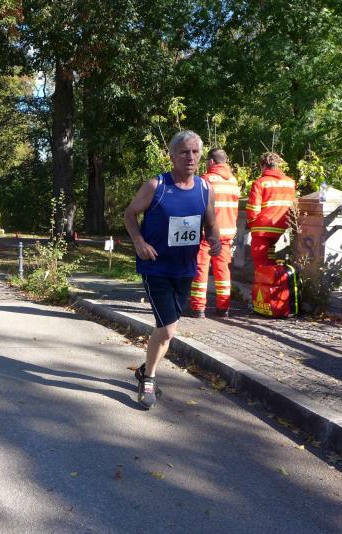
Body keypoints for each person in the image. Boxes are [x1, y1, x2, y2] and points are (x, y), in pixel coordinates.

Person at [123, 130, 221, 409]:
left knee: (168, 328)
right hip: (155, 267)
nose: (190, 157)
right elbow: (129, 214)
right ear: (172, 156)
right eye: (184, 152)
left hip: (185, 269)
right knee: (166, 330)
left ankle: (145, 368)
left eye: (195, 152)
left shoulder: (205, 189)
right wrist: (139, 241)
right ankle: (149, 379)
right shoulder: (157, 185)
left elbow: (210, 223)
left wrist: (214, 239)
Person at [189, 148, 240, 318]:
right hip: (226, 233)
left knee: (200, 269)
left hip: (207, 233)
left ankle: (198, 308)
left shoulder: (205, 180)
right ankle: (223, 308)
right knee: (223, 271)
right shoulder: (233, 181)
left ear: (211, 161)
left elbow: (196, 206)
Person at [246, 152, 296, 269]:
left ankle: (262, 280)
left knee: (260, 259)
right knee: (269, 256)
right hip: (280, 226)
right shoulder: (290, 182)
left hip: (262, 227)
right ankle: (272, 278)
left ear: (263, 166)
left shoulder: (260, 182)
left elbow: (253, 208)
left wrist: (251, 222)